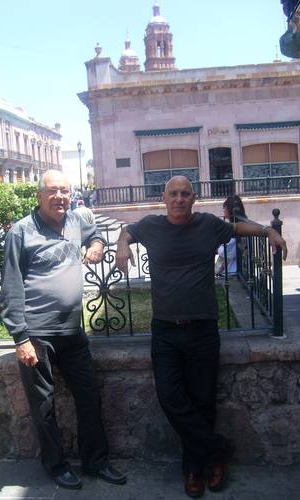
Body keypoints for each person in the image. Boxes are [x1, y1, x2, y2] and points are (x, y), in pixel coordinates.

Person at [115, 176, 287, 498]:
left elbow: (238, 228)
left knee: (204, 402)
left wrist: (268, 231)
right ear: (163, 198)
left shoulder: (208, 225)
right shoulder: (151, 226)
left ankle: (196, 468)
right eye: (173, 194)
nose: (179, 199)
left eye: (185, 194)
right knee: (170, 399)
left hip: (203, 328)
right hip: (165, 330)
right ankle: (218, 450)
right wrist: (123, 243)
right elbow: (128, 230)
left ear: (193, 199)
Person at [0, 169, 126, 490]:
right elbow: (11, 286)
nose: (60, 197)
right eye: (53, 191)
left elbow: (95, 233)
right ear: (39, 195)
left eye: (65, 191)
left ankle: (96, 462)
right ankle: (56, 466)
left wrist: (96, 245)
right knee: (43, 406)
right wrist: (20, 337)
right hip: (37, 334)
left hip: (72, 330)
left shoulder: (76, 220)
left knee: (88, 397)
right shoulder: (21, 232)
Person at [215, 195, 247, 276]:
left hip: (232, 272)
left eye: (225, 208)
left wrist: (218, 246)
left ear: (230, 210)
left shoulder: (237, 229)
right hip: (231, 269)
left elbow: (225, 252)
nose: (224, 210)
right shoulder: (240, 225)